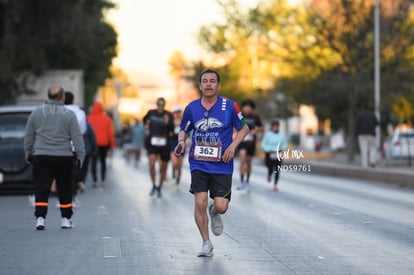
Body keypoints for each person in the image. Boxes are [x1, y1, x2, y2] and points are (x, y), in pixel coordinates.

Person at [174, 69, 249, 257]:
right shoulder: (191, 108)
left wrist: (232, 146)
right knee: (199, 201)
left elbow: (244, 128)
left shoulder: (230, 106)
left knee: (221, 206)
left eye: (212, 81)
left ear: (218, 85)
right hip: (198, 161)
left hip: (222, 163)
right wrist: (181, 142)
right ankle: (206, 243)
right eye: (205, 81)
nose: (208, 84)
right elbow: (184, 129)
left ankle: (214, 211)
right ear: (200, 85)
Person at [24, 85, 85, 230]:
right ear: (63, 97)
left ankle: (40, 218)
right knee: (64, 187)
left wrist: (28, 153)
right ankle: (65, 219)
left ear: (48, 97)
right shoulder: (69, 114)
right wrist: (80, 156)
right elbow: (77, 137)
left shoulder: (36, 113)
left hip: (42, 155)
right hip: (63, 156)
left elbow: (29, 136)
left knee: (41, 187)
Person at [143, 97, 174, 198]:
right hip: (153, 142)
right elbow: (144, 121)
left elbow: (172, 130)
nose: (160, 106)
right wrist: (147, 126)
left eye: (162, 104)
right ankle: (153, 185)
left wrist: (167, 123)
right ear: (156, 104)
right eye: (159, 104)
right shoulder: (151, 112)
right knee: (152, 164)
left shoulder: (168, 114)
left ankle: (159, 186)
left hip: (164, 144)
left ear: (164, 105)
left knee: (163, 168)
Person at [236, 99, 263, 193]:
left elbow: (261, 127)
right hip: (242, 141)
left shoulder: (255, 116)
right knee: (242, 159)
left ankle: (247, 181)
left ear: (252, 108)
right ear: (243, 108)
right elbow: (234, 126)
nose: (247, 109)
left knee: (248, 162)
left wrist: (255, 130)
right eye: (245, 107)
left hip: (251, 142)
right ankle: (241, 181)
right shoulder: (239, 116)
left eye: (249, 107)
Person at [87, 101, 116, 187]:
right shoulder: (107, 119)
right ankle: (103, 179)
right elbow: (110, 133)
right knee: (103, 161)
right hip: (104, 144)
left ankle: (95, 180)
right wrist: (112, 145)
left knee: (94, 162)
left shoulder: (88, 118)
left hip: (93, 144)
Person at [261, 120, 288, 192]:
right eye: (274, 126)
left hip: (278, 153)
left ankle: (275, 185)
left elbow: (285, 144)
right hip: (269, 153)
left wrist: (282, 149)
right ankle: (269, 174)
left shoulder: (281, 135)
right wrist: (267, 149)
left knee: (277, 170)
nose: (276, 128)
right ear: (272, 127)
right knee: (270, 168)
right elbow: (264, 143)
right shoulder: (268, 134)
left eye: (277, 126)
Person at [356, 103, 378, 168]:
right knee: (372, 148)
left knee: (363, 149)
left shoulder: (360, 115)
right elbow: (377, 123)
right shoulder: (372, 115)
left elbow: (357, 125)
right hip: (371, 134)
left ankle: (364, 164)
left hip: (362, 134)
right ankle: (372, 161)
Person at [170, 105, 185, 190]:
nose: (177, 113)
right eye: (176, 112)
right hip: (173, 143)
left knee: (179, 165)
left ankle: (178, 182)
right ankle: (173, 178)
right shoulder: (171, 122)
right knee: (174, 163)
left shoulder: (184, 122)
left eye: (178, 112)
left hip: (181, 145)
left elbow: (187, 132)